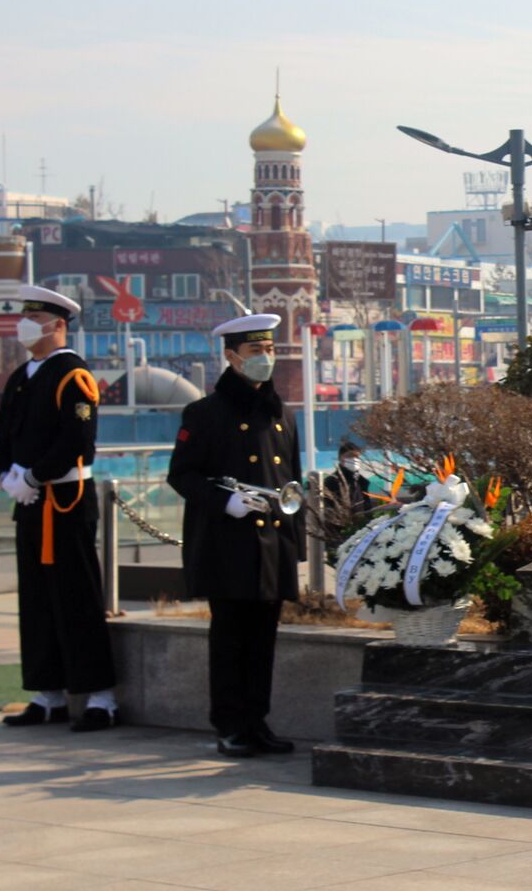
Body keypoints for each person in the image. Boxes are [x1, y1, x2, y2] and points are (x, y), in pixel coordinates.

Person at [167, 314, 304, 757]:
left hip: (271, 544)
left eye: (269, 350)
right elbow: (182, 474)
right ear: (231, 357)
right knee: (230, 639)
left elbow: (292, 484)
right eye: (255, 351)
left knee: (263, 639)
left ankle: (256, 721)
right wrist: (224, 501)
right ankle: (229, 724)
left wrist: (295, 544)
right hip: (228, 543)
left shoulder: (281, 412)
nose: (265, 358)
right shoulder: (204, 413)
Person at [0, 285, 119, 731]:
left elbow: (78, 441)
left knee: (77, 598)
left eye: (35, 318)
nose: (24, 325)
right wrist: (7, 475)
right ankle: (49, 693)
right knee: (37, 599)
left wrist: (35, 475)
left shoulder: (72, 375)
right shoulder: (22, 374)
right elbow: (4, 431)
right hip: (28, 502)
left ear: (58, 325)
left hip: (64, 500)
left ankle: (101, 694)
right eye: (23, 316)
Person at [321, 439, 372, 546]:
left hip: (360, 533)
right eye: (350, 456)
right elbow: (328, 510)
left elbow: (367, 507)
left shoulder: (361, 482)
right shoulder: (331, 482)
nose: (354, 459)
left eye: (357, 457)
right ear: (341, 458)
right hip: (339, 535)